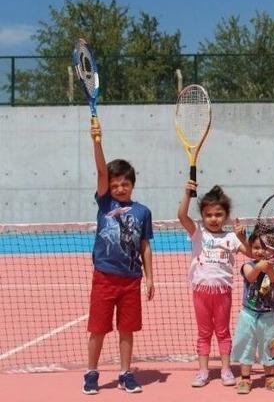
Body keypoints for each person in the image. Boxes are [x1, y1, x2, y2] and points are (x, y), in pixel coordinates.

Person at [82, 121, 154, 395]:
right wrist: (97, 141)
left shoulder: (143, 212)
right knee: (98, 330)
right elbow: (101, 170)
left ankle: (125, 373)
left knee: (127, 331)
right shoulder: (105, 203)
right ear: (108, 187)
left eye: (125, 183)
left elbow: (145, 245)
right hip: (104, 278)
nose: (120, 188)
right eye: (115, 184)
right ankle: (91, 373)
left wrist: (150, 278)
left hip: (131, 281)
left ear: (132, 185)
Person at [178, 182, 250, 387]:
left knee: (223, 331)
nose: (213, 219)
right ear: (202, 215)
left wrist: (243, 237)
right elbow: (182, 216)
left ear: (226, 215)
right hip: (201, 291)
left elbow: (251, 253)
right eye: (208, 215)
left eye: (218, 214)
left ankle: (226, 370)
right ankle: (203, 371)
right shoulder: (198, 233)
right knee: (204, 332)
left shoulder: (231, 237)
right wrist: (187, 194)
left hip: (222, 292)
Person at [231, 225, 274, 394]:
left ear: (273, 250)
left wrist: (267, 267)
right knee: (247, 345)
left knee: (270, 345)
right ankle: (245, 379)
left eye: (265, 248)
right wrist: (259, 267)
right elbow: (250, 276)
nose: (260, 251)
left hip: (269, 316)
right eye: (256, 248)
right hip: (248, 315)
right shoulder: (247, 265)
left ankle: (270, 377)